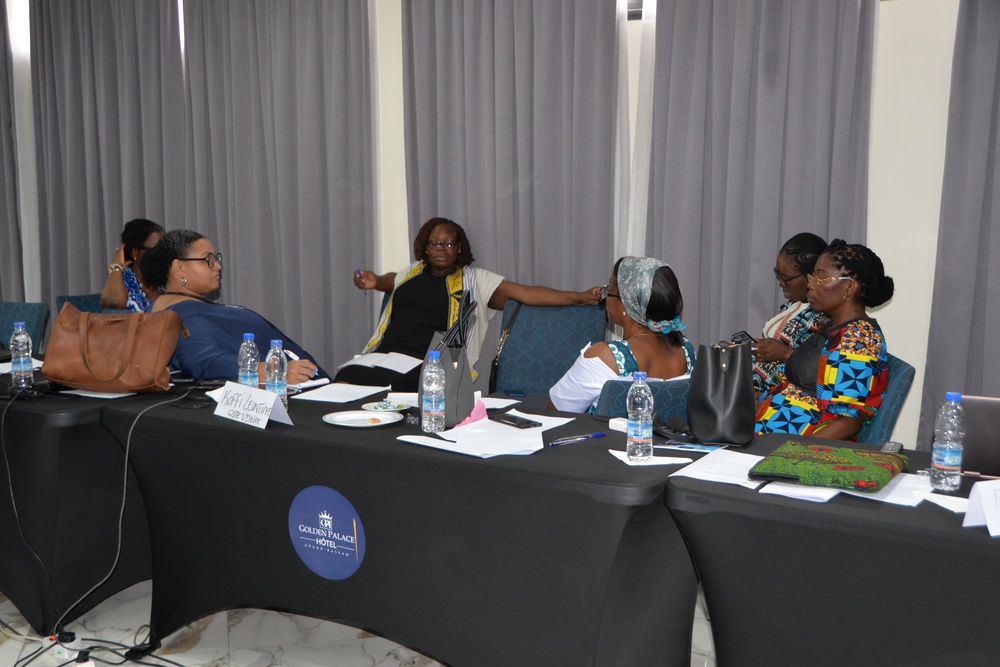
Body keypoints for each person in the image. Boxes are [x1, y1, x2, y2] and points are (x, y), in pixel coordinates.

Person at [339, 217, 602, 391]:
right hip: (382, 355)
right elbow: (391, 281)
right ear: (426, 247)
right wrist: (375, 281)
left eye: (449, 243)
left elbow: (526, 293)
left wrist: (579, 297)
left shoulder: (475, 282)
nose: (442, 248)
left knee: (387, 388)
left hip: (427, 366)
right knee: (345, 378)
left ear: (459, 248)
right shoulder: (412, 272)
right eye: (435, 243)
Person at [141, 230, 325, 383]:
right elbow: (202, 361)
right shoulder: (185, 313)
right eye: (208, 259)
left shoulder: (168, 307)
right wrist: (272, 371)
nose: (217, 266)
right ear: (179, 267)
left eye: (216, 258)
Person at [754, 239, 894, 440]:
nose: (810, 285)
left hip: (795, 448)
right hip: (769, 433)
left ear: (849, 288)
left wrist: (796, 452)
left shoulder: (858, 338)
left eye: (820, 278)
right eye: (812, 277)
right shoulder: (830, 328)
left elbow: (848, 422)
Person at [548, 256, 693, 413]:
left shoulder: (604, 357)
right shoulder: (687, 351)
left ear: (626, 305)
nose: (605, 298)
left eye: (609, 291)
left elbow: (555, 412)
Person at [752, 233, 831, 393]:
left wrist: (785, 353)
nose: (781, 284)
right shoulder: (793, 305)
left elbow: (823, 371)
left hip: (783, 399)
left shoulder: (825, 317)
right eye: (778, 275)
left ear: (812, 276)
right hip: (756, 393)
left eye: (786, 278)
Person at [101, 218, 164, 311]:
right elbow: (114, 302)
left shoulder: (165, 285)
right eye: (156, 249)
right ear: (135, 252)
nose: (161, 255)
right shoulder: (125, 283)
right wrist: (116, 266)